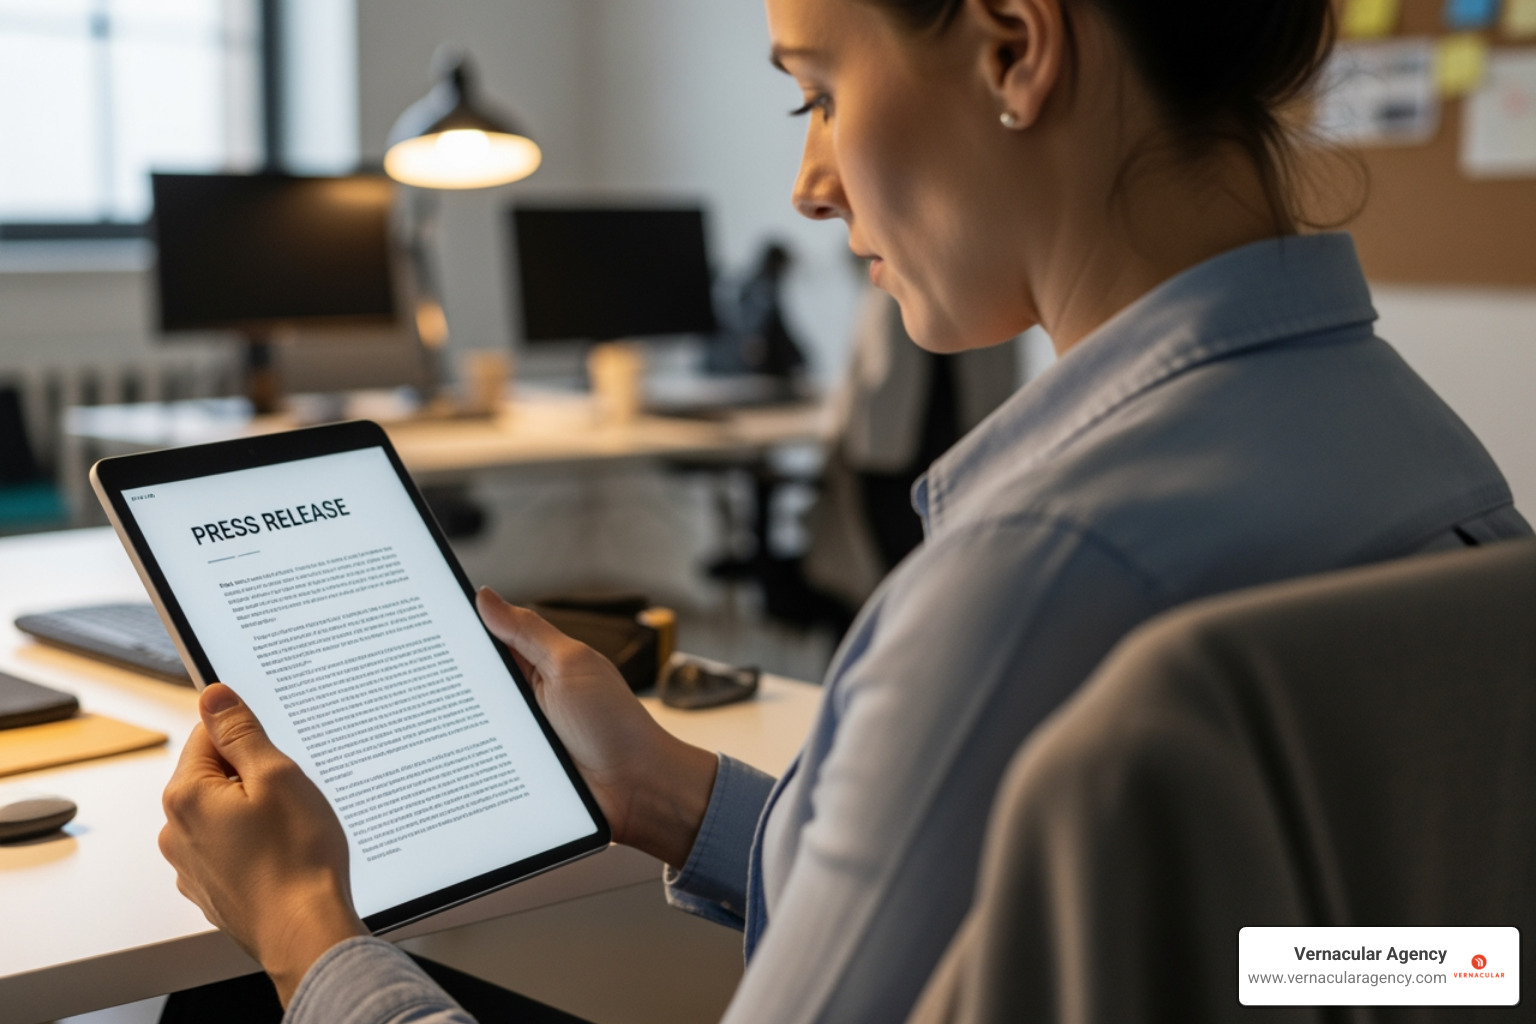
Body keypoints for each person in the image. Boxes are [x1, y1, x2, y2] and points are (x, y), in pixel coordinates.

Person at [158, 1, 1531, 1022]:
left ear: (1012, 46)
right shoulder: (1420, 448)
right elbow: (1253, 939)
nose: (811, 185)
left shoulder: (1035, 581)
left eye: (814, 92)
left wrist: (303, 925)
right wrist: (665, 793)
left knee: (240, 1003)